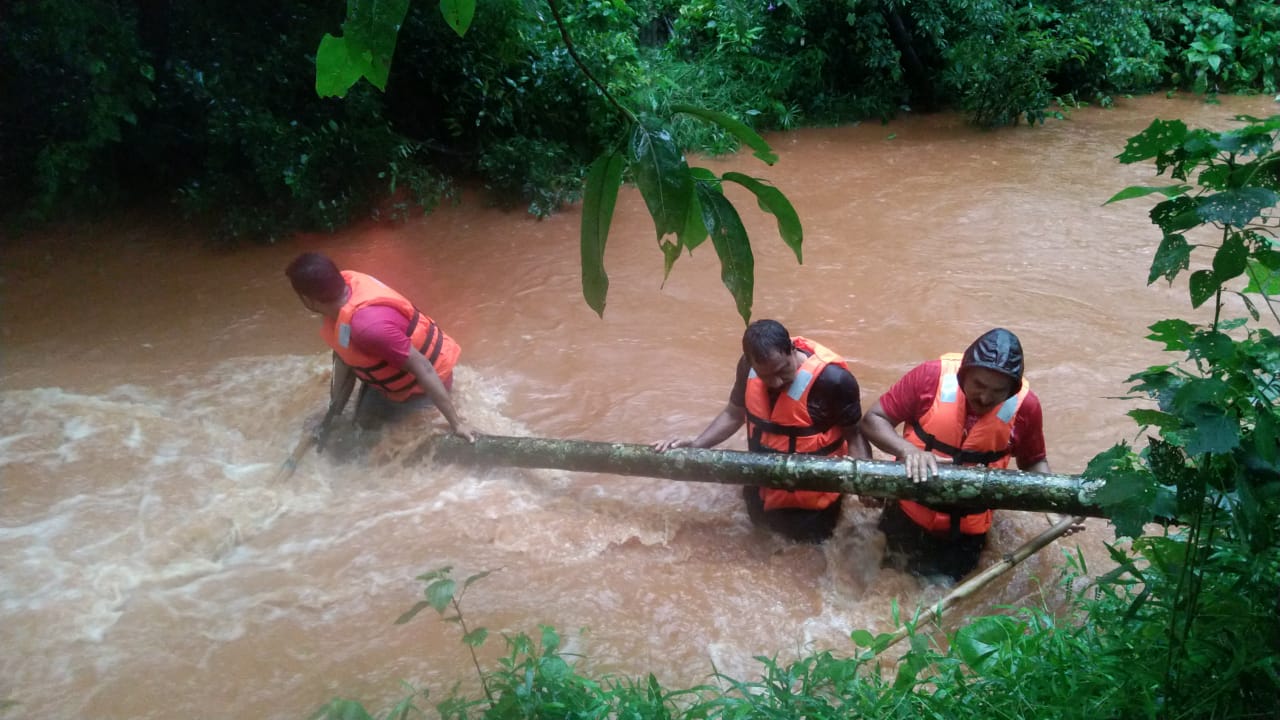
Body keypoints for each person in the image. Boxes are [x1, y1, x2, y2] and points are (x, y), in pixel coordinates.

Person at [653, 319, 871, 543]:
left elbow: (854, 435)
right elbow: (733, 414)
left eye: (782, 371)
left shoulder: (834, 381)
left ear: (792, 350)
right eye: (765, 376)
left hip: (815, 501)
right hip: (760, 489)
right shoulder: (747, 367)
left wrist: (866, 485)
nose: (775, 382)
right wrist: (697, 445)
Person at [859, 327, 1049, 582]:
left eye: (997, 391)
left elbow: (1034, 461)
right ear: (963, 375)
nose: (984, 397)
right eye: (978, 385)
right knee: (884, 583)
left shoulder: (1026, 406)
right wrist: (909, 451)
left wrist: (1053, 504)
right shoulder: (929, 377)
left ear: (1011, 391)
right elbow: (873, 420)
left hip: (968, 532)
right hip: (906, 513)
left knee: (944, 593)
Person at [285, 252, 475, 444]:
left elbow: (423, 367)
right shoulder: (342, 291)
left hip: (422, 388)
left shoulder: (369, 328)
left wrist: (456, 424)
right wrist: (334, 412)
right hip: (398, 371)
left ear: (308, 300)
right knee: (355, 426)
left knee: (365, 440)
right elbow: (343, 354)